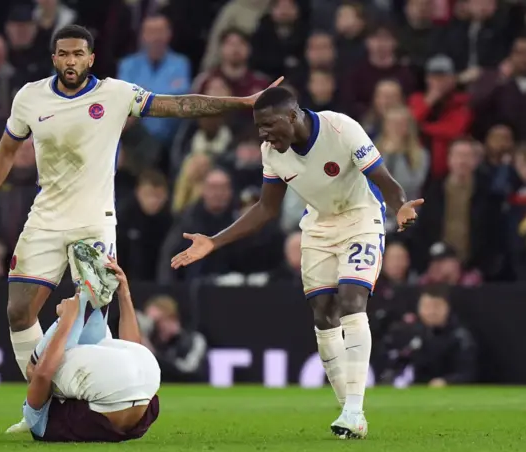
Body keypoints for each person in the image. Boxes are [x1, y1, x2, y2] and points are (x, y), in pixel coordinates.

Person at [0, 24, 281, 385]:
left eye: (78, 54)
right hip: (46, 218)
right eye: (64, 54)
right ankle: (40, 403)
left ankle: (75, 398)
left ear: (91, 58)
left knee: (91, 317)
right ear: (54, 58)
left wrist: (241, 103)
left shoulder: (116, 94)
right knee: (19, 312)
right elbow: (7, 149)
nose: (71, 61)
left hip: (95, 222)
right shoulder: (30, 97)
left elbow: (179, 104)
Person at [171, 87, 423, 439]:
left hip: (361, 219)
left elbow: (384, 180)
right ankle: (350, 412)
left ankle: (354, 408)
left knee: (352, 300)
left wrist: (400, 205)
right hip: (318, 225)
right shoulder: (271, 153)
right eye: (259, 127)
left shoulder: (340, 129)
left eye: (269, 125)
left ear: (292, 116)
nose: (263, 134)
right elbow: (266, 209)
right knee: (323, 313)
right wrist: (213, 241)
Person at [22, 250, 161, 442]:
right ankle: (84, 298)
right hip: (137, 371)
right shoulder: (43, 420)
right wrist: (67, 319)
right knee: (35, 367)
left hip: (146, 379)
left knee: (40, 368)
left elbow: (42, 374)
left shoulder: (39, 424)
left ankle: (86, 301)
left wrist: (67, 319)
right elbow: (40, 374)